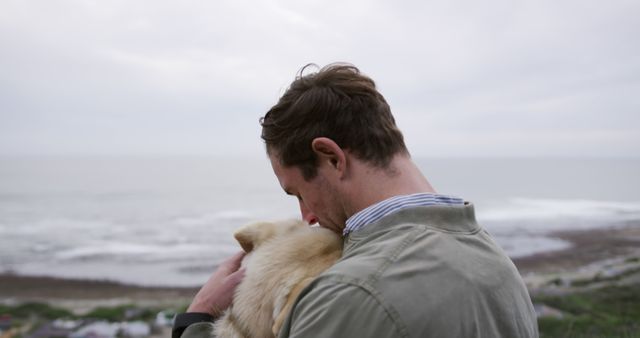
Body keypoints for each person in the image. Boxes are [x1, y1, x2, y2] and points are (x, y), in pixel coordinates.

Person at [173, 63, 539, 338]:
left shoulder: (349, 293)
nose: (307, 216)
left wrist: (199, 317)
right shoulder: (498, 265)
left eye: (299, 193)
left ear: (331, 157)